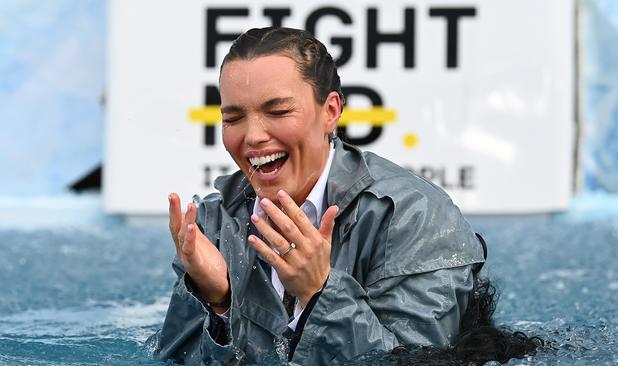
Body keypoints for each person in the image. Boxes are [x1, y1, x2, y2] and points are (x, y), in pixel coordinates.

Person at [153, 27, 513, 365]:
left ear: (331, 111)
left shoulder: (416, 218)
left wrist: (320, 293)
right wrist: (216, 301)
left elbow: (417, 359)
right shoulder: (218, 222)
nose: (253, 137)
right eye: (233, 118)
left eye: (277, 111)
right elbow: (168, 359)